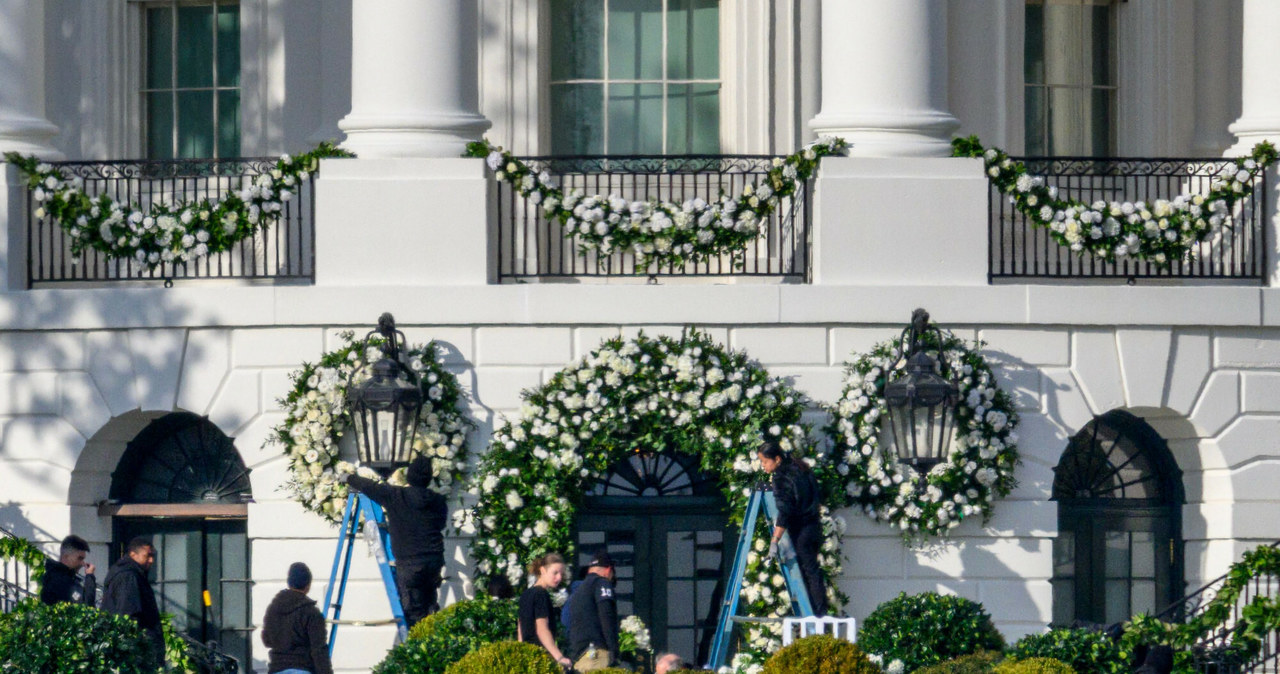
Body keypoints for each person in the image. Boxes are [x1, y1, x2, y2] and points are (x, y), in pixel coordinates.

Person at [338, 454, 447, 628]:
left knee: (412, 612)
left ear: (409, 475)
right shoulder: (438, 501)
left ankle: (417, 649)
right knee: (429, 605)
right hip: (434, 560)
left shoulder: (397, 496)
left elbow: (370, 487)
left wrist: (348, 477)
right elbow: (440, 524)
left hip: (410, 563)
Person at [758, 440, 828, 617]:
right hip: (814, 526)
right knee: (813, 572)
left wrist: (774, 540)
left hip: (802, 530)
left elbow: (785, 511)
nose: (763, 466)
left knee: (808, 574)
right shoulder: (801, 468)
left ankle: (816, 616)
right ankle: (819, 614)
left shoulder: (781, 477)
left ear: (777, 459)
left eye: (765, 461)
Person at [100, 537, 163, 671]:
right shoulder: (128, 577)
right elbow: (128, 614)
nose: (151, 560)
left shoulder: (130, 574)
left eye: (152, 556)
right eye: (147, 556)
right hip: (137, 653)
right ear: (133, 555)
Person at [261, 562, 333, 674]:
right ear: (308, 585)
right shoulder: (311, 612)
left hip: (277, 668)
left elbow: (267, 640)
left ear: (289, 583)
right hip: (303, 667)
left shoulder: (274, 608)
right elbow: (319, 650)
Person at [566, 550, 620, 672]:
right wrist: (613, 650)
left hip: (580, 657)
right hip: (596, 655)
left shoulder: (578, 591)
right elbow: (606, 616)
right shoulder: (602, 583)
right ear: (608, 570)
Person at [517, 553, 572, 669]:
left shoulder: (526, 594)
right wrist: (559, 657)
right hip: (541, 657)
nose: (559, 578)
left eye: (561, 574)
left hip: (528, 656)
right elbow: (542, 629)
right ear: (542, 570)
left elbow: (520, 627)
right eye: (555, 573)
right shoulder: (541, 594)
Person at [40, 534, 96, 606]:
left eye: (83, 559)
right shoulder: (59, 580)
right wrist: (90, 576)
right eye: (79, 558)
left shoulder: (64, 577)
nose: (82, 563)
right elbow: (87, 606)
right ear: (66, 557)